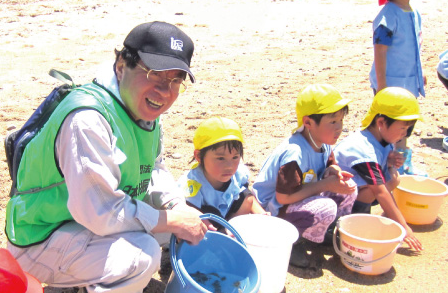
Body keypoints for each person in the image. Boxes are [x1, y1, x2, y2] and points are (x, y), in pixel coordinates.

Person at [4, 21, 208, 293]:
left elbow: (152, 168)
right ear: (121, 66)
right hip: (40, 236)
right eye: (155, 73)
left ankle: (96, 281)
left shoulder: (140, 108)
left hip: (77, 218)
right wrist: (169, 221)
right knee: (143, 253)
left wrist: (176, 206)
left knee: (170, 224)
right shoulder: (89, 119)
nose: (165, 89)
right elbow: (101, 213)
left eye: (176, 80)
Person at [253, 84, 357, 246]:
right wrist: (326, 184)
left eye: (341, 120)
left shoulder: (323, 142)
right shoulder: (295, 154)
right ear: (308, 122)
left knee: (349, 187)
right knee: (326, 207)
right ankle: (295, 243)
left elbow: (330, 164)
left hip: (299, 198)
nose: (339, 128)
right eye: (333, 121)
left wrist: (333, 170)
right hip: (272, 211)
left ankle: (330, 230)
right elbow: (283, 197)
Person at [333, 88, 423, 252]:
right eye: (403, 128)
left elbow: (384, 179)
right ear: (381, 122)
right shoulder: (363, 151)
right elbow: (381, 191)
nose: (404, 135)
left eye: (408, 130)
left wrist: (389, 164)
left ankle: (371, 216)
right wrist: (404, 228)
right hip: (335, 201)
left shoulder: (382, 138)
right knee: (374, 191)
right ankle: (352, 223)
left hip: (354, 190)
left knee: (394, 178)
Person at [370, 0, 431, 176]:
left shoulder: (413, 13)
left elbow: (415, 48)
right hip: (392, 83)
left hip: (408, 81)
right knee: (389, 128)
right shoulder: (387, 16)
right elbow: (380, 51)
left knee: (405, 126)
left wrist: (419, 73)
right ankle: (389, 166)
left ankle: (403, 164)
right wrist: (383, 86)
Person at [179, 117, 267, 219]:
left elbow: (248, 198)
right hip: (205, 227)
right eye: (221, 158)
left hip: (230, 222)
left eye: (235, 157)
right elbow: (188, 220)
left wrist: (262, 215)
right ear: (198, 156)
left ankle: (230, 231)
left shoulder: (239, 173)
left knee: (246, 197)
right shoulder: (191, 186)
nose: (229, 166)